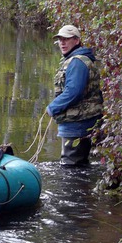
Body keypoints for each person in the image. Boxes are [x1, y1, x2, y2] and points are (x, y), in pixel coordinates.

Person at [46, 25, 103, 166]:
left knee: (70, 166)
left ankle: (74, 188)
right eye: (60, 39)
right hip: (81, 121)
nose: (62, 43)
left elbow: (74, 92)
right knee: (79, 165)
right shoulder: (77, 60)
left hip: (78, 123)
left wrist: (53, 107)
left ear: (76, 41)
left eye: (66, 39)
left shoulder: (77, 62)